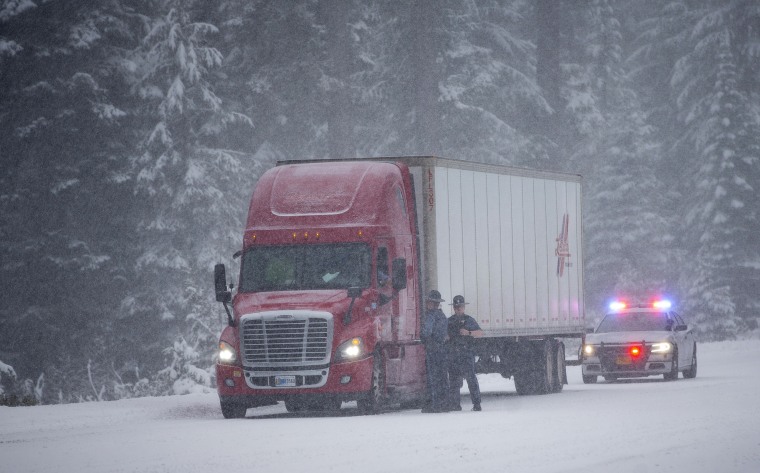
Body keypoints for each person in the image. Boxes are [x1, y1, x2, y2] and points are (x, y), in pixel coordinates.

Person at [446, 295, 483, 411]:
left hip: (466, 353)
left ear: (463, 307)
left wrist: (468, 333)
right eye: (456, 307)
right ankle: (455, 404)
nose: (458, 309)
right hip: (453, 354)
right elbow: (445, 336)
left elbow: (480, 333)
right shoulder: (450, 321)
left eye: (460, 307)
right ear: (453, 308)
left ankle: (477, 404)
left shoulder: (469, 320)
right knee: (454, 380)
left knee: (471, 379)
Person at [420, 289, 450, 413]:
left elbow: (427, 332)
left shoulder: (431, 316)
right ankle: (445, 404)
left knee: (433, 378)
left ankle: (435, 404)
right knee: (443, 377)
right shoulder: (442, 315)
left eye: (429, 302)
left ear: (433, 303)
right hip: (442, 349)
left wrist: (422, 336)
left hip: (433, 349)